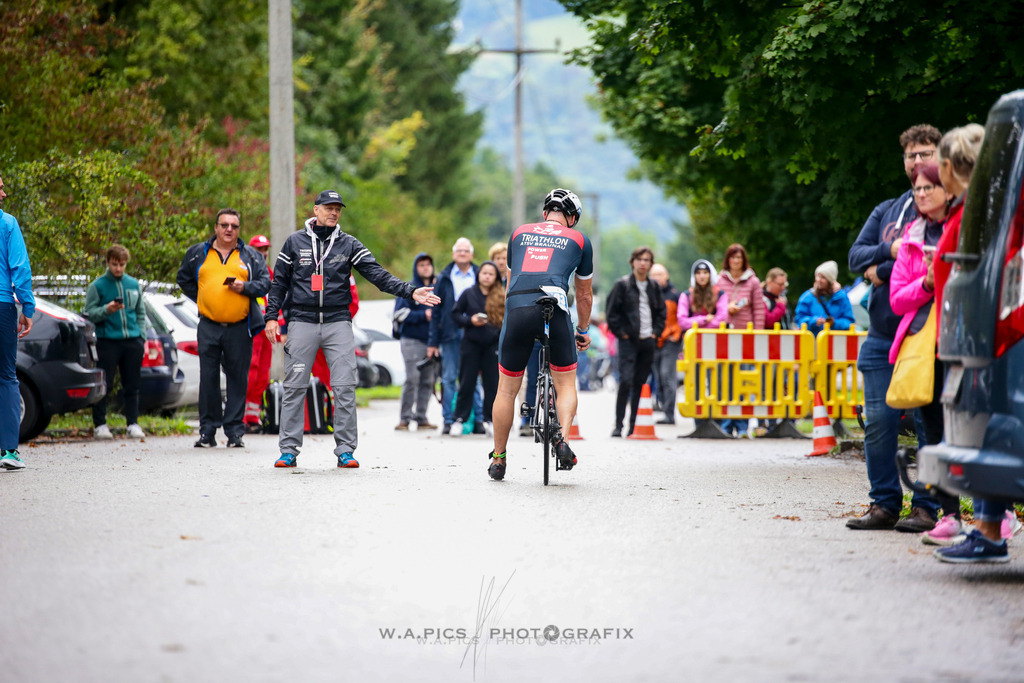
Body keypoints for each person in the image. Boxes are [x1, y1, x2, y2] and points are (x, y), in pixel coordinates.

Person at [263, 190, 439, 469]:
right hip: (302, 322)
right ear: (316, 210)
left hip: (338, 323)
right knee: (294, 387)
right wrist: (271, 317)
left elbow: (378, 275)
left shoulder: (349, 244)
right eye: (328, 208)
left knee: (344, 387)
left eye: (338, 209)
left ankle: (345, 451)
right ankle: (288, 450)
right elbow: (278, 284)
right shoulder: (294, 242)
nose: (333, 212)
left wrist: (411, 291)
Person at [846, 123, 943, 531]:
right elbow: (855, 256)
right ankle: (884, 503)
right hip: (882, 334)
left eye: (925, 153)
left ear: (940, 155)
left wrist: (879, 270)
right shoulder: (889, 209)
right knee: (878, 424)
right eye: (911, 155)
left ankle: (927, 507)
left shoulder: (943, 207)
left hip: (924, 335)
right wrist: (890, 250)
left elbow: (927, 265)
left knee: (928, 425)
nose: (917, 162)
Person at [930, 125, 1020, 561]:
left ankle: (988, 530)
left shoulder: (982, 211)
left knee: (989, 430)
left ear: (949, 166)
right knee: (986, 429)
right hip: (977, 331)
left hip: (989, 332)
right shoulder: (986, 207)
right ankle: (987, 527)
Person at [489, 188, 593, 480]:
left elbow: (510, 282)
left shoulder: (519, 233)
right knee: (566, 383)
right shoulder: (579, 239)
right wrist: (582, 330)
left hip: (518, 305)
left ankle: (499, 458)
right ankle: (563, 440)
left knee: (506, 389)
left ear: (546, 212)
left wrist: (511, 323)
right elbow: (584, 296)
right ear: (572, 217)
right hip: (555, 305)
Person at [887, 162, 963, 536]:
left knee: (965, 430)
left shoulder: (962, 228)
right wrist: (929, 283)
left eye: (928, 187)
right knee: (931, 433)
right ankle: (949, 515)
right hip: (925, 349)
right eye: (916, 189)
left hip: (961, 343)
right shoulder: (912, 239)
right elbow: (898, 299)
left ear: (947, 189)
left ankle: (991, 513)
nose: (921, 194)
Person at [177, 209, 270, 449]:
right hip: (208, 325)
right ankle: (207, 432)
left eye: (234, 226)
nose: (229, 229)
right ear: (216, 227)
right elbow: (184, 278)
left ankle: (235, 433)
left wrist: (245, 287)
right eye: (224, 225)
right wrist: (203, 297)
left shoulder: (250, 256)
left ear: (239, 230)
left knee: (238, 379)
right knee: (208, 379)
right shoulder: (199, 253)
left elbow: (265, 283)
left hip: (240, 326)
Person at [84, 245, 147, 440]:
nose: (118, 268)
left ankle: (133, 423)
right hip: (108, 341)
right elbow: (89, 314)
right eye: (114, 264)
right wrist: (107, 310)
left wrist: (141, 336)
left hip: (132, 341)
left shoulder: (134, 284)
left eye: (122, 264)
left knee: (132, 383)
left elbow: (140, 312)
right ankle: (100, 424)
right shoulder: (97, 286)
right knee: (106, 383)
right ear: (108, 263)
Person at [606, 246, 665, 437]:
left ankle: (633, 426)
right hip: (628, 341)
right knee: (625, 381)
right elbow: (611, 314)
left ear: (650, 264)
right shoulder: (622, 285)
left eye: (646, 260)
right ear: (632, 262)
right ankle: (618, 425)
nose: (642, 263)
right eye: (639, 259)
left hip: (648, 341)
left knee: (640, 383)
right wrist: (622, 334)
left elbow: (661, 313)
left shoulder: (654, 287)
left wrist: (656, 333)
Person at [427, 238, 480, 435]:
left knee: (474, 378)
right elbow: (436, 311)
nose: (463, 254)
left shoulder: (480, 274)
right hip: (449, 333)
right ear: (453, 254)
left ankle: (478, 420)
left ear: (471, 254)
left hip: (475, 334)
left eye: (466, 251)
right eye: (459, 251)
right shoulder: (443, 277)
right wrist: (432, 341)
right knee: (449, 378)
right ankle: (448, 420)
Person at [0, 174, 34, 471]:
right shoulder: (7, 224)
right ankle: (9, 450)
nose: (4, 193)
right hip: (1, 305)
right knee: (6, 376)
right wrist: (28, 306)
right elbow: (19, 267)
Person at [450, 261, 504, 436]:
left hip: (492, 345)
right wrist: (470, 321)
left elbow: (507, 321)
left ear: (495, 277)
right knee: (466, 383)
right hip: (471, 343)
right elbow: (455, 314)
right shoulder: (469, 293)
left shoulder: (500, 295)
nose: (487, 276)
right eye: (484, 273)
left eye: (491, 274)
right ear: (478, 275)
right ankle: (459, 420)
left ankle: (490, 420)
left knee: (492, 385)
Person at [716, 244, 765, 437]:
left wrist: (758, 334)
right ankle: (726, 424)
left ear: (744, 260)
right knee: (726, 379)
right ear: (727, 259)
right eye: (733, 257)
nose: (736, 261)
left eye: (739, 258)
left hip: (746, 336)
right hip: (725, 335)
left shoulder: (753, 282)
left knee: (744, 380)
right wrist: (727, 309)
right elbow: (715, 305)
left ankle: (743, 425)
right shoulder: (719, 280)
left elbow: (759, 309)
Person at [394, 253, 438, 431]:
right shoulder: (409, 288)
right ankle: (404, 419)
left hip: (431, 342)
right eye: (422, 265)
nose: (426, 267)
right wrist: (423, 315)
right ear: (416, 267)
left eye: (428, 264)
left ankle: (421, 417)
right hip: (412, 340)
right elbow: (399, 314)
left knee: (428, 380)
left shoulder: (437, 288)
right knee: (412, 379)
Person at [244, 234, 275, 433]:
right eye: (259, 250)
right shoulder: (245, 272)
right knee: (250, 371)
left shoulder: (271, 273)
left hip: (267, 332)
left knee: (263, 375)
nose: (263, 254)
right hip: (252, 329)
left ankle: (253, 415)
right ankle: (241, 416)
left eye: (265, 250)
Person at [649, 263, 681, 424]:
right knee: (658, 378)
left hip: (670, 341)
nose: (657, 278)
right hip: (654, 340)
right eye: (654, 275)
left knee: (667, 375)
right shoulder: (648, 294)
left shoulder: (675, 295)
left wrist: (677, 334)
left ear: (666, 276)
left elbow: (682, 316)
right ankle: (663, 407)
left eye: (660, 274)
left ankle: (669, 414)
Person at [794, 260, 855, 336]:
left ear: (830, 280)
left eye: (823, 277)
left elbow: (849, 322)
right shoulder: (807, 297)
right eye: (818, 276)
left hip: (835, 343)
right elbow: (799, 319)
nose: (819, 280)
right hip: (812, 343)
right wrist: (814, 321)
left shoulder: (841, 297)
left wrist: (834, 323)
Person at [677, 260, 727, 330]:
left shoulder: (720, 295)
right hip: (692, 338)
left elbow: (721, 320)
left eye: (705, 272)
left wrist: (699, 327)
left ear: (710, 275)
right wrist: (704, 320)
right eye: (698, 273)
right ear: (694, 276)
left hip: (714, 338)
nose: (702, 276)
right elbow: (682, 322)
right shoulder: (686, 295)